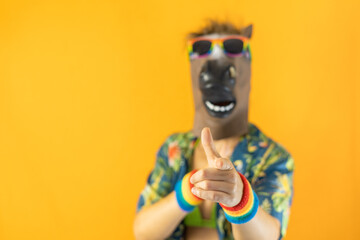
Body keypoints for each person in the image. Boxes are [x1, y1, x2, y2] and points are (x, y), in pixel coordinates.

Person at [133, 20, 294, 240]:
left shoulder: (272, 157)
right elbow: (143, 232)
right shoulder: (175, 149)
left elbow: (268, 236)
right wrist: (188, 191)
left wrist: (240, 201)